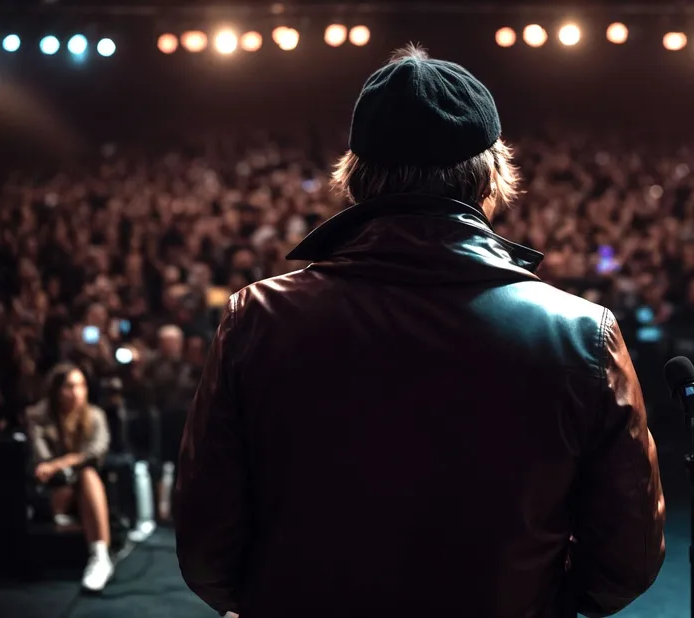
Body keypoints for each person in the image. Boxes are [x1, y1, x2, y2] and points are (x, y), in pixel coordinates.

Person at [175, 45, 665, 618]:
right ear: (492, 177)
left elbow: (207, 545)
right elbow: (626, 558)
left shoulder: (256, 319)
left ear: (355, 177)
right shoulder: (583, 334)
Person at [25, 363, 114, 592]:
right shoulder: (37, 416)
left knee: (88, 475)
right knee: (76, 476)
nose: (76, 393)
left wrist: (61, 463)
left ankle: (100, 557)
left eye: (81, 386)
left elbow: (97, 451)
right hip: (52, 489)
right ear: (56, 390)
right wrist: (59, 467)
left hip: (84, 485)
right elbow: (41, 461)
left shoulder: (95, 415)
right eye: (69, 386)